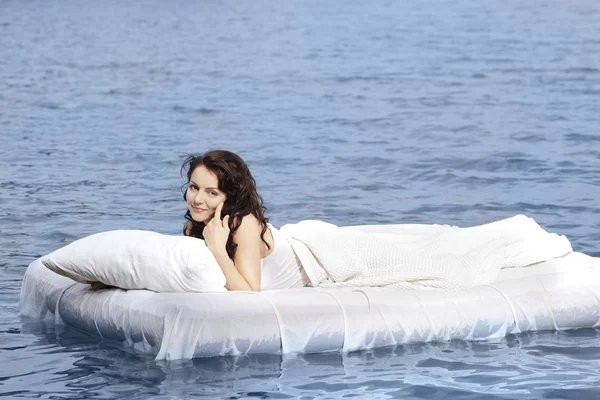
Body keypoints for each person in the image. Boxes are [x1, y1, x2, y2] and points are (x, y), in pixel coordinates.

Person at [182, 150, 307, 291]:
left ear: (231, 197)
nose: (197, 199)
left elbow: (249, 292)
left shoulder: (244, 224)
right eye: (194, 187)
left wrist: (218, 250)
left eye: (212, 193)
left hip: (311, 255)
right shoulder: (194, 225)